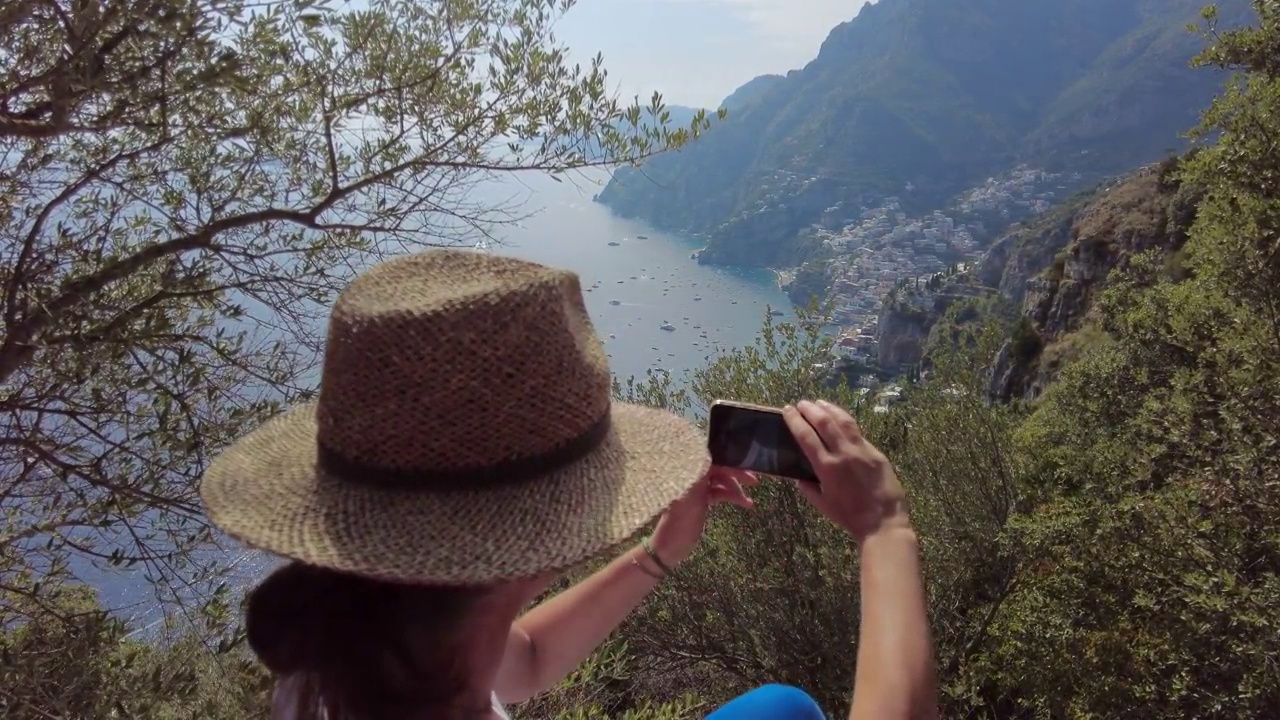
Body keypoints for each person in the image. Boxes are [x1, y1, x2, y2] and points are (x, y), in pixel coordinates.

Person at [199, 249, 937, 720]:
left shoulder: (354, 659)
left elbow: (518, 664)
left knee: (781, 711)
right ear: (535, 541)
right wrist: (886, 531)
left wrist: (658, 555)